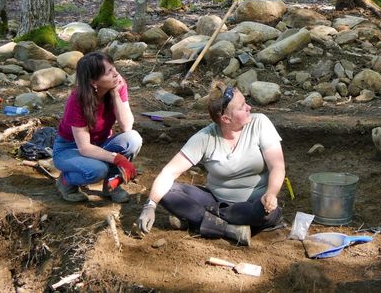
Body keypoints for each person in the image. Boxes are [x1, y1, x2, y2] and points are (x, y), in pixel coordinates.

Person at [136, 82, 285, 246]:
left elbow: (277, 166)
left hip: (255, 205)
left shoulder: (260, 123)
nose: (249, 107)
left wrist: (271, 194)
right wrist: (149, 206)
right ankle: (229, 229)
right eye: (242, 106)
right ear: (226, 118)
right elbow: (168, 172)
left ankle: (203, 221)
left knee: (264, 212)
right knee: (167, 191)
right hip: (216, 200)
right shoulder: (205, 138)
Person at [53, 52, 142, 203]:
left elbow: (127, 126)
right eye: (109, 72)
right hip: (69, 149)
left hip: (101, 143)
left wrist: (115, 94)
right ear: (94, 82)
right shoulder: (77, 100)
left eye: (114, 68)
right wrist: (118, 159)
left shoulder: (118, 85)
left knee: (133, 139)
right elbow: (85, 149)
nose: (116, 74)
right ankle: (66, 181)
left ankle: (111, 185)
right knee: (98, 170)